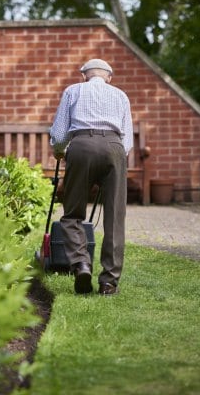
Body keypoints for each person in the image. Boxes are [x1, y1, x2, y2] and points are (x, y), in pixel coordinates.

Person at [49, 58, 133, 295]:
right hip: (115, 147)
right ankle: (109, 282)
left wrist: (59, 151)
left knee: (73, 214)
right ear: (109, 77)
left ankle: (81, 263)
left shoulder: (73, 90)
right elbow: (127, 140)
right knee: (115, 218)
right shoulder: (120, 95)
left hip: (82, 146)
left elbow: (59, 133)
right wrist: (115, 157)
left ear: (84, 76)